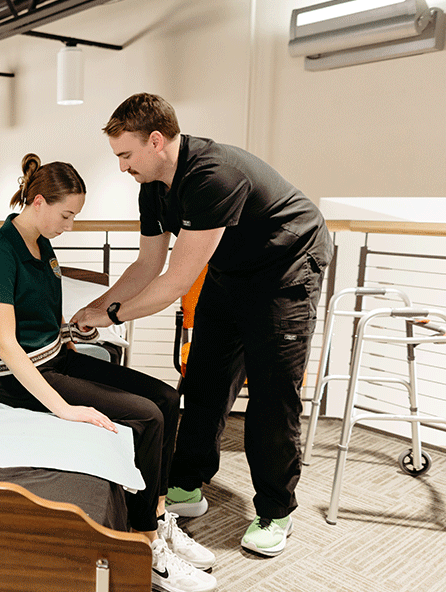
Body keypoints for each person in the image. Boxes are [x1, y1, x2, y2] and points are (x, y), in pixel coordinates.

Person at [73, 93, 333, 558]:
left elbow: (174, 282)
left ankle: (276, 510)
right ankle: (188, 485)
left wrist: (112, 317)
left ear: (156, 142)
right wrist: (95, 309)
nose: (121, 167)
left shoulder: (214, 175)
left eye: (126, 155)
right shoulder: (152, 184)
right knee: (205, 379)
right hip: (231, 271)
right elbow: (146, 265)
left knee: (273, 395)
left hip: (286, 267)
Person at [0, 153, 217, 592]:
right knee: (146, 417)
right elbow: (8, 345)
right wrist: (65, 408)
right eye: (66, 215)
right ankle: (144, 546)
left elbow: (39, 318)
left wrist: (70, 331)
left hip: (55, 356)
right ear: (39, 202)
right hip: (16, 378)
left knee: (164, 398)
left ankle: (158, 516)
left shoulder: (41, 244)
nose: (69, 225)